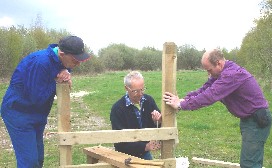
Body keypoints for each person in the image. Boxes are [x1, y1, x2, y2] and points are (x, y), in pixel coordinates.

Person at [163, 49, 272, 168]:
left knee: (249, 163)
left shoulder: (231, 75)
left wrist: (181, 105)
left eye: (209, 69)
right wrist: (185, 100)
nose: (208, 74)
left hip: (256, 120)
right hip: (249, 119)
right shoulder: (221, 73)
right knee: (252, 160)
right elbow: (205, 89)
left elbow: (210, 96)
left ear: (219, 63)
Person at [0, 35, 91, 168]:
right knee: (29, 162)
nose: (78, 63)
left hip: (36, 114)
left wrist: (65, 71)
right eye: (75, 60)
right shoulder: (40, 62)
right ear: (62, 53)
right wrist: (57, 81)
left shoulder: (59, 60)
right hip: (18, 112)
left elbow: (61, 68)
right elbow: (37, 98)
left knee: (38, 159)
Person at [110, 71, 162, 160]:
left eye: (142, 89)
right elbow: (120, 141)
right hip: (124, 155)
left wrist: (157, 121)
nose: (140, 94)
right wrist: (145, 146)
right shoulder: (117, 109)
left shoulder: (148, 101)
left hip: (144, 154)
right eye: (136, 91)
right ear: (126, 88)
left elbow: (157, 126)